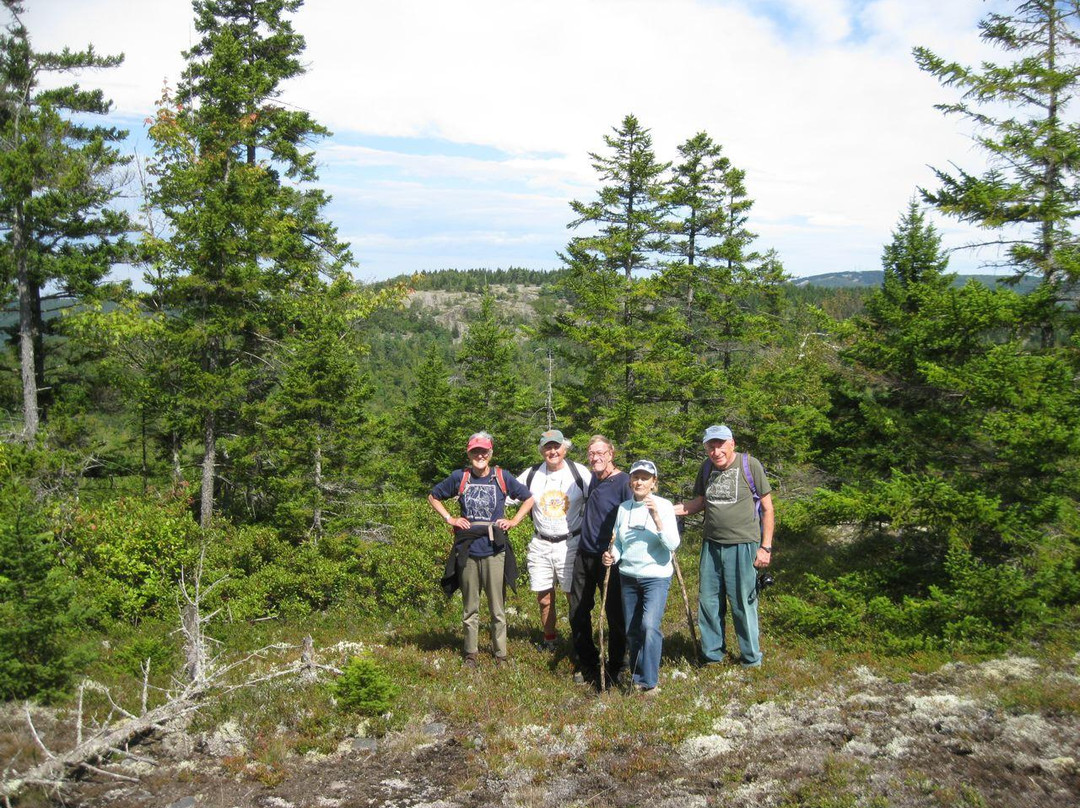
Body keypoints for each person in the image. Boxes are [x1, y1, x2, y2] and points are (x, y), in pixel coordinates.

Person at [429, 431, 534, 667]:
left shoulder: (501, 476)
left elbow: (528, 498)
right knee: (470, 608)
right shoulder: (460, 477)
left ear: (490, 453)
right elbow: (433, 496)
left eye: (483, 451)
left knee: (497, 609)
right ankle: (471, 654)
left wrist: (514, 521)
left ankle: (501, 654)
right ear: (469, 453)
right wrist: (450, 518)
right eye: (475, 451)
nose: (479, 455)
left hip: (494, 549)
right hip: (468, 549)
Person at [674, 424, 774, 667]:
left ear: (732, 444)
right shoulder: (706, 468)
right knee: (708, 602)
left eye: (720, 444)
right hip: (712, 545)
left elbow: (768, 509)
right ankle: (713, 655)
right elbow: (697, 503)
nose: (716, 450)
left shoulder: (750, 465)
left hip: (743, 545)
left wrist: (766, 547)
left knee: (743, 602)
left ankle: (751, 658)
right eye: (711, 445)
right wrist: (663, 509)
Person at [603, 459, 679, 695]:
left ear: (654, 482)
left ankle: (650, 681)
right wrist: (612, 556)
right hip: (628, 576)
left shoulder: (664, 506)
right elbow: (619, 544)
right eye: (636, 477)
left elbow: (672, 544)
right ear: (630, 481)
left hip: (656, 576)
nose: (639, 481)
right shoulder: (624, 508)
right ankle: (638, 677)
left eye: (645, 478)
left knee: (649, 626)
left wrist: (656, 517)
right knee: (633, 630)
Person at [516, 428, 592, 651]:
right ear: (541, 451)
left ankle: (579, 641)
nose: (552, 451)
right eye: (547, 447)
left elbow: (599, 496)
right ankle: (550, 639)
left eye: (556, 446)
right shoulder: (531, 475)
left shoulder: (579, 473)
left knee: (573, 595)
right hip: (540, 543)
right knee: (544, 596)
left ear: (564, 448)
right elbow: (507, 493)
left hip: (571, 543)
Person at [569, 435, 632, 688]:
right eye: (591, 453)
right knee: (578, 610)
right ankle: (588, 662)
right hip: (585, 554)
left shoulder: (624, 482)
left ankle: (618, 664)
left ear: (611, 453)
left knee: (615, 614)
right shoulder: (594, 478)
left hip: (610, 557)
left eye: (600, 452)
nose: (595, 457)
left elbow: (633, 516)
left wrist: (618, 551)